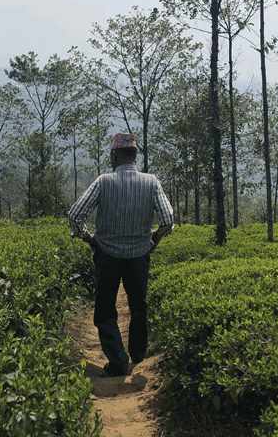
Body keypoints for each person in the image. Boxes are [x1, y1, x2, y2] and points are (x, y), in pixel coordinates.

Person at [68, 132, 174, 377]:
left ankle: (117, 361)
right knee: (139, 306)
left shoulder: (103, 181)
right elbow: (168, 221)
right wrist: (153, 240)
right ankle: (137, 356)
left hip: (107, 255)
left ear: (114, 155)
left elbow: (75, 215)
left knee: (105, 310)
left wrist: (89, 238)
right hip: (139, 255)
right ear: (135, 156)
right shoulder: (151, 182)